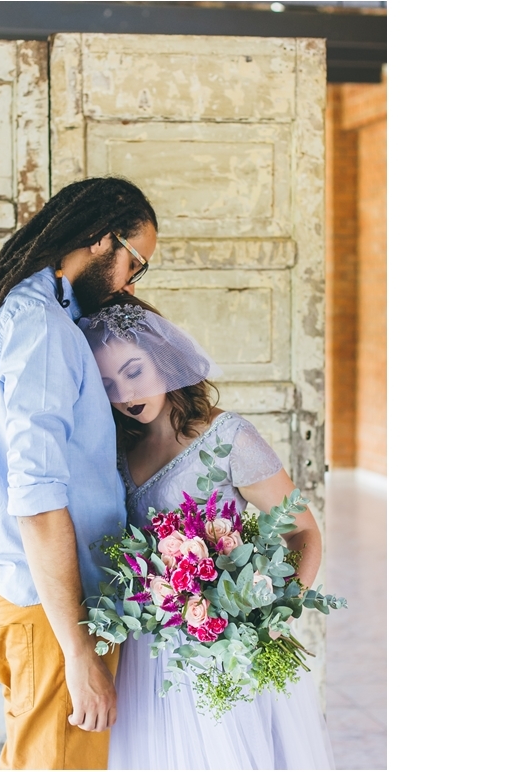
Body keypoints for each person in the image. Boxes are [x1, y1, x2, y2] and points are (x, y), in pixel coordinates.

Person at [0, 177, 159, 770]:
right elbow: (35, 499)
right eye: (135, 264)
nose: (130, 284)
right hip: (55, 616)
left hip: (45, 610)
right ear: (103, 241)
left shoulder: (21, 311)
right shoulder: (41, 327)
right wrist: (78, 651)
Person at [78, 295, 336, 770]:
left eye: (134, 371)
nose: (126, 395)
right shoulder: (117, 452)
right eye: (108, 383)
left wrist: (271, 614)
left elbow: (303, 531)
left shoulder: (227, 437)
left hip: (225, 649)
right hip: (151, 658)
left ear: (163, 359)